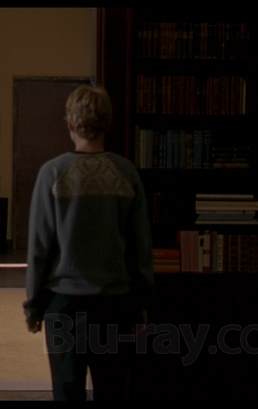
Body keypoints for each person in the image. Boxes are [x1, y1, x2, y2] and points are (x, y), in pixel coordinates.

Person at [22, 85, 155, 401]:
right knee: (112, 390)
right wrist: (142, 302)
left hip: (64, 304)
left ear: (70, 124)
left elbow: (39, 249)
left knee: (67, 391)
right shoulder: (125, 172)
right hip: (115, 305)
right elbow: (140, 247)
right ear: (108, 124)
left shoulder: (53, 173)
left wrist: (34, 305)